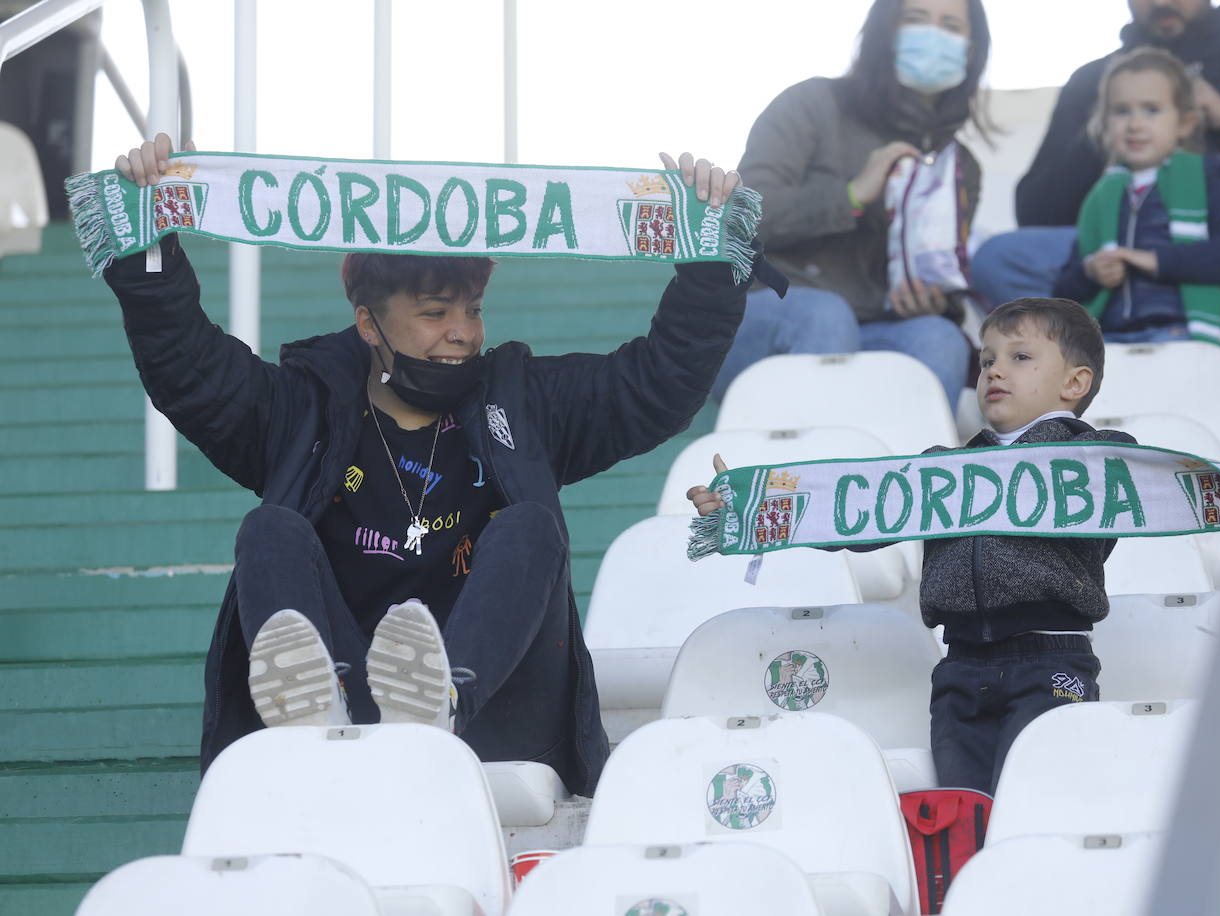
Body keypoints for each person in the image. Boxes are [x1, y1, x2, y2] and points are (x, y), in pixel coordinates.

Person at [107, 133, 764, 798]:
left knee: (530, 527)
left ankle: (438, 703)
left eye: (472, 309)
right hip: (346, 720)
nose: (464, 332)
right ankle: (321, 716)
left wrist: (709, 268)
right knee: (270, 531)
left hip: (496, 725)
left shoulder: (523, 400)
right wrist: (149, 235)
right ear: (369, 324)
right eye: (434, 312)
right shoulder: (298, 409)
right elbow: (188, 367)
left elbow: (653, 386)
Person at [689, 298, 1134, 794]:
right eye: (987, 360)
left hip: (1052, 661)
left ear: (1075, 383)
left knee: (1036, 798)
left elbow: (1142, 481)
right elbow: (856, 515)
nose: (995, 371)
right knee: (966, 807)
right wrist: (754, 506)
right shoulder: (940, 468)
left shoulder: (1095, 460)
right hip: (960, 671)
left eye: (1020, 358)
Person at [972, 0, 1220, 331]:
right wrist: (1107, 127)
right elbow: (1036, 211)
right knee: (999, 258)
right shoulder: (1095, 80)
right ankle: (1093, 369)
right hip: (1123, 246)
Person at [714, 0, 995, 409]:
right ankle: (806, 469)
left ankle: (911, 469)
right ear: (885, 31)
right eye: (916, 18)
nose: (932, 35)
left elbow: (944, 271)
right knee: (824, 315)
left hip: (876, 328)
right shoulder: (811, 103)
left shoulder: (961, 166)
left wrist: (934, 301)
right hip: (763, 315)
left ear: (971, 51)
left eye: (950, 25)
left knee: (938, 336)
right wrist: (851, 195)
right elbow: (740, 215)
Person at [1052, 48, 1220, 348]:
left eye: (1151, 110)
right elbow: (1063, 288)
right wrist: (1090, 271)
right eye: (1122, 111)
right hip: (1110, 341)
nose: (1135, 124)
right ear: (1105, 123)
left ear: (1185, 123)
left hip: (1184, 335)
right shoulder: (1102, 195)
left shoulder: (1208, 177)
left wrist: (1155, 260)